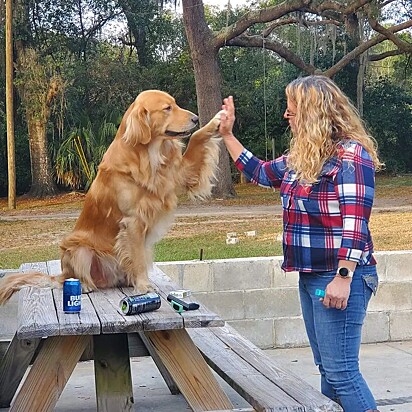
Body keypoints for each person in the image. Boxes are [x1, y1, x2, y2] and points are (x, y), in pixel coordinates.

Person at [219, 75, 382, 412]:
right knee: (329, 371)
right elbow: (262, 173)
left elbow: (355, 224)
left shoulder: (350, 156)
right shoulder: (306, 155)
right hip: (311, 277)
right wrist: (228, 136)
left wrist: (343, 277)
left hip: (338, 277)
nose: (286, 115)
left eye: (291, 109)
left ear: (312, 112)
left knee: (342, 372)